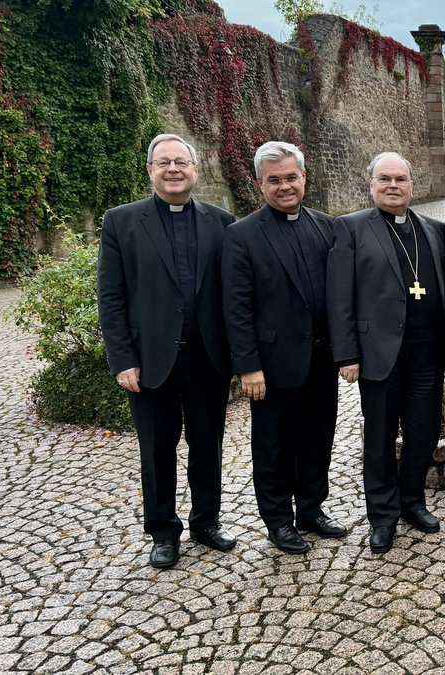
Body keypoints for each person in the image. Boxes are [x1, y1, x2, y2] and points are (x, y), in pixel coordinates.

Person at [97, 133, 237, 569]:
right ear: (151, 171)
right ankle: (162, 531)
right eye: (164, 163)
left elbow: (233, 295)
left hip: (206, 358)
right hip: (151, 360)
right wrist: (123, 359)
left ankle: (206, 521)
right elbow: (112, 296)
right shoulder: (121, 222)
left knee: (207, 444)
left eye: (182, 162)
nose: (173, 169)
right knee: (156, 450)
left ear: (196, 170)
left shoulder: (222, 222)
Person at [327, 152, 445, 554]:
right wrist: (347, 354)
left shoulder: (434, 229)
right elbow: (339, 296)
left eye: (401, 179)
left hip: (427, 354)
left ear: (412, 185)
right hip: (379, 355)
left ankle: (413, 501)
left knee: (424, 433)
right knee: (380, 439)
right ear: (371, 185)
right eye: (385, 179)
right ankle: (383, 516)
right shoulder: (350, 228)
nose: (393, 186)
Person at [222, 141, 347, 555]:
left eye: (291, 177)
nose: (285, 186)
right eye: (274, 180)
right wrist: (248, 366)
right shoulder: (241, 236)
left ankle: (311, 509)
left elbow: (341, 296)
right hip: (272, 366)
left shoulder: (326, 226)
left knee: (317, 437)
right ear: (260, 184)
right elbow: (236, 307)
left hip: (321, 358)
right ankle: (278, 521)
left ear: (304, 178)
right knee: (274, 445)